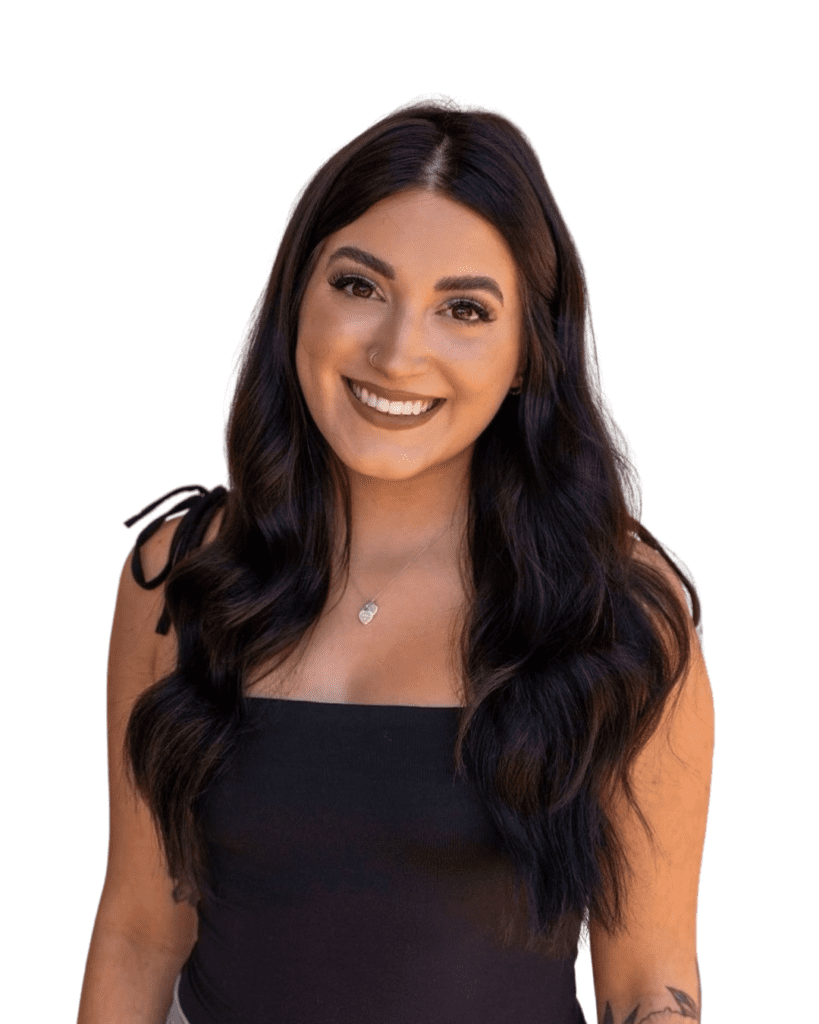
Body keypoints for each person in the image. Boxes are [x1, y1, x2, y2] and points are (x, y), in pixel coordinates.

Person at [77, 100, 714, 1024]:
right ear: (299, 295)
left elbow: (645, 979)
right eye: (359, 287)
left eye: (463, 309)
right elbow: (140, 930)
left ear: (528, 353)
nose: (396, 351)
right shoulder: (184, 579)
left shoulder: (613, 612)